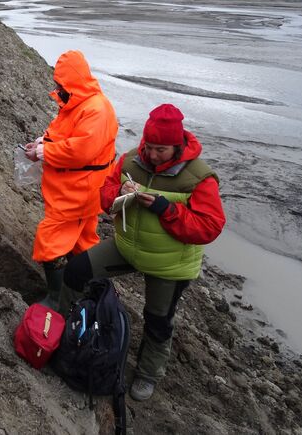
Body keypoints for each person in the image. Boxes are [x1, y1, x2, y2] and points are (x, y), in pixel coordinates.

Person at [62, 103, 226, 401]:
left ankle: (148, 373)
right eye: (148, 146)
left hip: (170, 265)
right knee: (75, 273)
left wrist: (167, 210)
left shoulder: (200, 177)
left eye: (160, 149)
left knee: (158, 319)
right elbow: (104, 195)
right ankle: (71, 332)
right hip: (128, 248)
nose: (151, 154)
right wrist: (118, 193)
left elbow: (209, 227)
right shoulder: (130, 161)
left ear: (177, 146)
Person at [23, 49, 118, 313]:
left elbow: (81, 150)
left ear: (73, 81)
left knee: (50, 239)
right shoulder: (78, 102)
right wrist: (43, 142)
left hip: (78, 192)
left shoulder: (96, 109)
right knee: (83, 240)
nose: (57, 88)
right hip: (75, 190)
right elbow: (65, 134)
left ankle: (56, 298)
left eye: (60, 84)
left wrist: (43, 152)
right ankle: (89, 290)